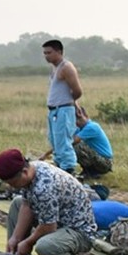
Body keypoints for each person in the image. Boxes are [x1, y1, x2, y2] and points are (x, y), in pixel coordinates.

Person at [0, 148, 97, 255]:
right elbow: (26, 204)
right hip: (58, 220)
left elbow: (48, 226)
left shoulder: (45, 187)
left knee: (45, 246)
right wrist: (15, 238)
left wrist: (28, 243)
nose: (11, 186)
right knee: (17, 203)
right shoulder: (33, 169)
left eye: (12, 183)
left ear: (24, 172)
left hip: (78, 231)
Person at [44, 39, 82, 173]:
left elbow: (77, 90)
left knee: (64, 143)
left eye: (49, 52)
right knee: (55, 142)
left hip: (63, 110)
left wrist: (71, 103)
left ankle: (69, 170)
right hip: (54, 111)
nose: (46, 56)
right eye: (44, 53)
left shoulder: (66, 67)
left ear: (59, 52)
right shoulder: (54, 68)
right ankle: (59, 169)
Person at [72, 105, 112, 178]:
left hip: (104, 162)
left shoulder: (92, 126)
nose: (76, 122)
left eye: (77, 119)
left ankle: (92, 172)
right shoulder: (80, 129)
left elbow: (71, 142)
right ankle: (87, 171)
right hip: (98, 159)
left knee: (77, 146)